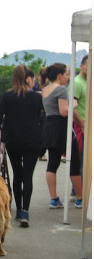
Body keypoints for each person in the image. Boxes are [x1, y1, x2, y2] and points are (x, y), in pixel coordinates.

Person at [0, 65, 43, 227]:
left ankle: (18, 207)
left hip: (13, 140)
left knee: (17, 174)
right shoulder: (36, 97)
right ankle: (25, 212)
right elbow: (39, 117)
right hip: (32, 139)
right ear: (28, 79)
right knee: (28, 176)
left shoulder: (8, 96)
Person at [40, 63, 82, 209]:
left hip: (49, 127)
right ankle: (80, 198)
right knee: (74, 163)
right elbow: (64, 111)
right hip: (62, 128)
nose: (68, 77)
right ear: (59, 76)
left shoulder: (45, 89)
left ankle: (54, 198)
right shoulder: (62, 89)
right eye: (67, 74)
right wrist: (74, 105)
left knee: (52, 163)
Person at [73, 55, 87, 180]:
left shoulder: (89, 81)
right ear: (81, 66)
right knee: (81, 160)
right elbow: (72, 106)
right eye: (87, 64)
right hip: (80, 126)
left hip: (86, 125)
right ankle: (79, 192)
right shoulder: (77, 82)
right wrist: (82, 124)